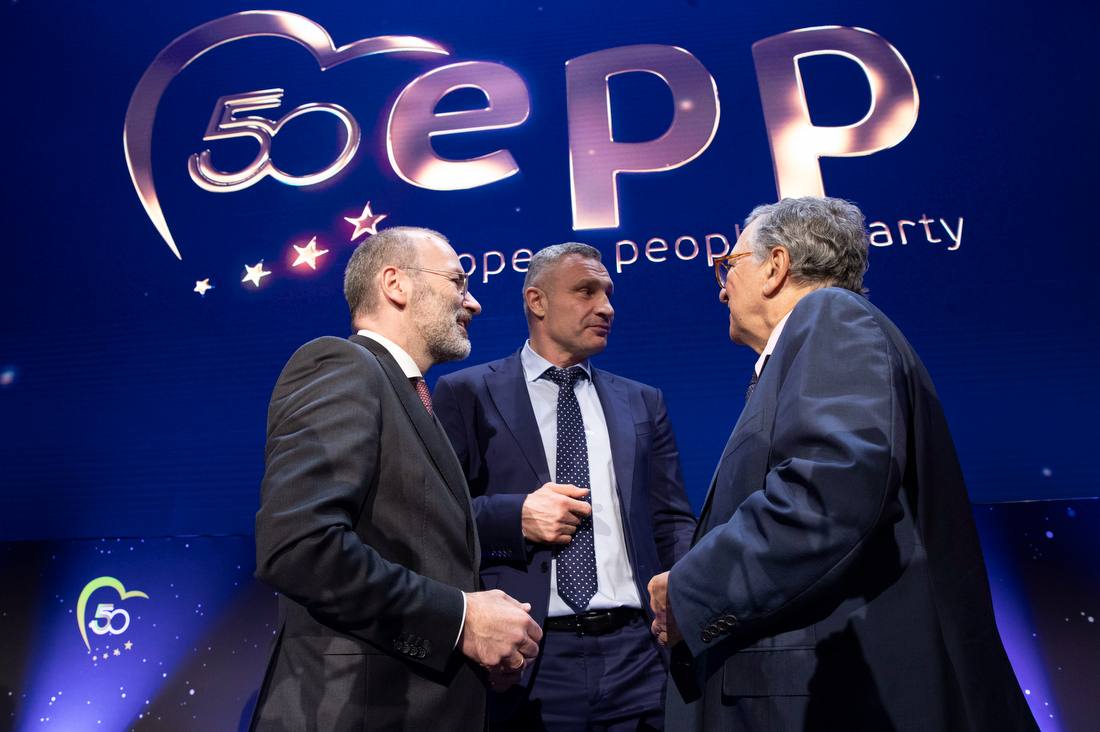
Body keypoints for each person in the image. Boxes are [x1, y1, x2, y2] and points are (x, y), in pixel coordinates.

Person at [648, 198, 1037, 730]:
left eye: (728, 265)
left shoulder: (830, 316)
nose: (721, 287)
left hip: (832, 700)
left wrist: (692, 590)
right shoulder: (810, 344)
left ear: (776, 266)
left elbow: (828, 494)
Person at [251, 227, 542, 732]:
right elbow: (299, 547)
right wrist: (460, 621)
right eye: (457, 282)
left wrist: (475, 646)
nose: (473, 303)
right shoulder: (341, 366)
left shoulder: (412, 398)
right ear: (395, 284)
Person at [434, 243, 696, 730]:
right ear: (537, 301)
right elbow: (438, 518)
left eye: (608, 293)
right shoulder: (466, 393)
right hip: (528, 655)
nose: (606, 307)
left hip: (639, 655)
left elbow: (671, 518)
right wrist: (515, 517)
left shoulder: (643, 401)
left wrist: (686, 589)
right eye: (586, 291)